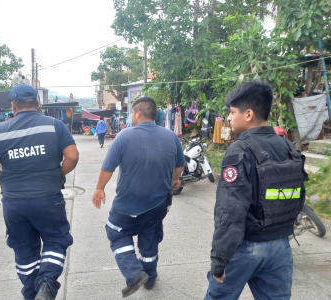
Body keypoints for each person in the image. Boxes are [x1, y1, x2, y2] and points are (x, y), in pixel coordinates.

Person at [205, 81, 308, 300]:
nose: (229, 118)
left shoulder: (239, 150)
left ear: (248, 114)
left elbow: (230, 211)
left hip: (246, 248)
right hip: (281, 249)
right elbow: (299, 198)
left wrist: (220, 259)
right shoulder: (288, 148)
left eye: (232, 112)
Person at [0, 83, 79, 300]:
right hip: (48, 199)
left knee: (24, 248)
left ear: (13, 105)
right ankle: (47, 284)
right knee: (55, 241)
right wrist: (58, 174)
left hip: (14, 202)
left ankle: (32, 294)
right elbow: (72, 157)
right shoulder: (55, 125)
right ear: (38, 103)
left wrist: (4, 177)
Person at [92, 97, 185, 298]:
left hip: (128, 205)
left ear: (137, 113)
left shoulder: (124, 136)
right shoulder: (171, 136)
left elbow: (108, 167)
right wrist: (175, 180)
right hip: (159, 204)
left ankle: (134, 273)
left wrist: (100, 188)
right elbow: (179, 165)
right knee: (149, 234)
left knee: (116, 231)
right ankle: (150, 278)